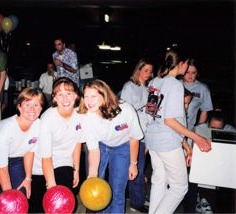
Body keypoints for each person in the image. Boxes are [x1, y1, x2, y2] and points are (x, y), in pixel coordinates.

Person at [144, 49, 212, 214]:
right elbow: (170, 120)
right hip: (167, 142)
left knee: (159, 180)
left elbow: (154, 114)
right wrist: (198, 138)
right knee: (180, 187)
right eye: (187, 63)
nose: (187, 67)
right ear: (181, 64)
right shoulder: (175, 84)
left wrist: (186, 144)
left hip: (152, 139)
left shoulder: (155, 81)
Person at [78, 79, 144, 213]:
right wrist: (92, 175)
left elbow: (134, 138)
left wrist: (133, 164)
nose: (89, 101)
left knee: (117, 191)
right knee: (98, 188)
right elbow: (93, 150)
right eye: (86, 96)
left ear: (104, 95)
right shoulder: (86, 117)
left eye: (93, 96)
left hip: (123, 147)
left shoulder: (125, 110)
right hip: (101, 146)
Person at [0, 87, 44, 213]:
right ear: (19, 107)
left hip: (16, 160)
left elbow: (30, 151)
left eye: (36, 105)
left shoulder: (38, 125)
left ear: (41, 109)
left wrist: (28, 179)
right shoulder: (6, 129)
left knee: (21, 199)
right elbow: (2, 168)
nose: (32, 109)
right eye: (27, 104)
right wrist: (9, 197)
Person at [29, 77, 83, 213]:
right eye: (60, 94)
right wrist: (52, 186)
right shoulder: (48, 119)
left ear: (75, 95)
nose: (65, 99)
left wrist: (76, 170)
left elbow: (77, 143)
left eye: (68, 94)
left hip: (64, 163)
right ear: (54, 98)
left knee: (62, 205)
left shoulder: (80, 115)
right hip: (41, 166)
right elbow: (46, 157)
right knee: (39, 208)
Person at [120, 58, 153, 212]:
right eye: (145, 70)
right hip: (130, 135)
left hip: (144, 134)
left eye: (150, 71)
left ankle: (136, 201)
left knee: (138, 169)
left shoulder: (149, 89)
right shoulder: (129, 86)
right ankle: (132, 202)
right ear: (138, 69)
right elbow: (124, 112)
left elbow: (149, 115)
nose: (148, 74)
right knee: (130, 169)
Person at [182, 59, 213, 135]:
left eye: (193, 73)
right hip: (172, 126)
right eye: (187, 72)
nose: (190, 75)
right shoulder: (176, 84)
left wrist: (199, 130)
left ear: (197, 73)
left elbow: (205, 111)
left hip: (188, 129)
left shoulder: (203, 88)